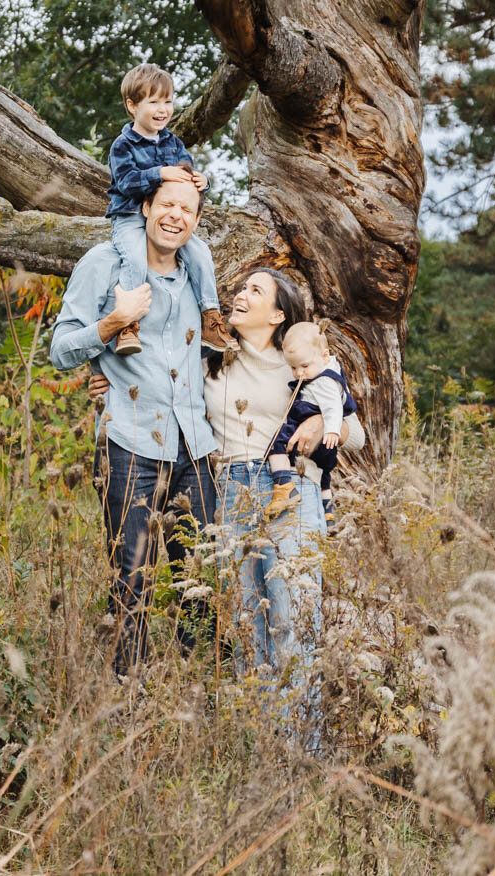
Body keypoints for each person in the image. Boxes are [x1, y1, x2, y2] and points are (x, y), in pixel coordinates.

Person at [50, 177, 217, 679]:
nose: (175, 216)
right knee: (132, 576)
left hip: (196, 445)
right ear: (144, 207)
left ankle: (199, 692)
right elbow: (59, 350)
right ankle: (130, 694)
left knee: (201, 576)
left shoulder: (195, 272)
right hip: (129, 443)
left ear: (196, 219)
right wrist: (112, 323)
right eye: (166, 204)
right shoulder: (103, 263)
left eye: (187, 209)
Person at [204, 270, 366, 728]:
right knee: (246, 622)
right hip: (231, 488)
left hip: (293, 489)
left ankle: (301, 754)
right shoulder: (211, 360)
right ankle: (258, 751)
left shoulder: (301, 365)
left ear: (278, 314)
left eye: (256, 290)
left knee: (292, 620)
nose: (241, 294)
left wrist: (318, 428)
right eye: (240, 288)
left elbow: (356, 433)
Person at [107, 62, 237, 357]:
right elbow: (126, 183)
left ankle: (210, 318)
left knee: (200, 253)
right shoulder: (123, 145)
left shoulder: (173, 142)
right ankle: (127, 324)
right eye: (153, 102)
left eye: (167, 101)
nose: (163, 109)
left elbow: (187, 171)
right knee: (135, 259)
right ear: (132, 105)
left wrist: (200, 180)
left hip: (165, 218)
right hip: (130, 215)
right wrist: (160, 173)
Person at [268, 321, 358, 532]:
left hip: (316, 426)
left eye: (304, 366)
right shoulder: (324, 369)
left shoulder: (325, 381)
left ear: (325, 356)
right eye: (293, 368)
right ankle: (328, 513)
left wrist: (333, 430)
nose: (299, 373)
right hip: (325, 443)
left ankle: (283, 486)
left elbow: (333, 407)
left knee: (277, 444)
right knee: (325, 474)